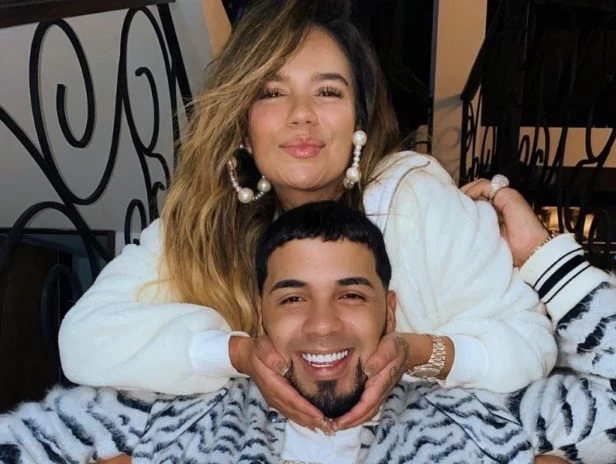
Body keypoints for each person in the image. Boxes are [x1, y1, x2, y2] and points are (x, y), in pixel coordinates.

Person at [57, 0, 557, 432]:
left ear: (359, 120)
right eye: (272, 92)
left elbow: (531, 344)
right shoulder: (205, 223)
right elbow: (84, 341)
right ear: (243, 125)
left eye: (328, 91)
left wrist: (418, 352)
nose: (301, 114)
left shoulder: (413, 199)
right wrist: (237, 354)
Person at [2, 201, 616, 464]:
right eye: (293, 298)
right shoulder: (175, 414)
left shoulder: (472, 418)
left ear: (390, 311)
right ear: (259, 315)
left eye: (351, 295)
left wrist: (541, 254)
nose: (323, 324)